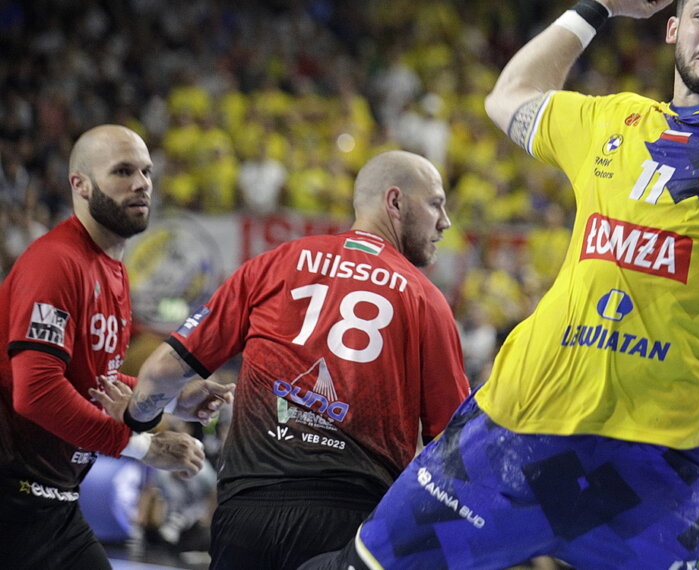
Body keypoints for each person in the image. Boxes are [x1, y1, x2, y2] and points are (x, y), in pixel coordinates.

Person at [304, 1, 699, 568]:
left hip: (654, 470)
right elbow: (507, 97)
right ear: (673, 29)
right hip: (511, 428)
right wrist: (598, 7)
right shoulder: (611, 119)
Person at [125, 149, 471, 570]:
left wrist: (139, 429)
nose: (445, 221)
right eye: (436, 203)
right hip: (352, 523)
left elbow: (161, 371)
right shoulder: (426, 300)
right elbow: (454, 449)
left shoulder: (272, 265)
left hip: (247, 511)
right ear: (395, 202)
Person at [0, 124, 226, 570]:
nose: (141, 183)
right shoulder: (55, 263)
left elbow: (90, 382)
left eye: (146, 171)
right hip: (14, 498)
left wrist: (175, 398)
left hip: (50, 500)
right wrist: (142, 447)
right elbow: (38, 391)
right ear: (79, 185)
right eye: (123, 171)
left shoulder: (112, 270)